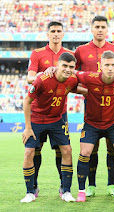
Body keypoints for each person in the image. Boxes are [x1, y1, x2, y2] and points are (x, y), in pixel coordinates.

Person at [21, 53, 80, 203]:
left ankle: (66, 191)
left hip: (56, 120)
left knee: (67, 150)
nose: (67, 69)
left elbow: (83, 86)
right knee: (29, 152)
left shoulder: (73, 79)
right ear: (58, 65)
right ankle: (30, 192)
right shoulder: (42, 79)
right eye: (64, 66)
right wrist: (28, 128)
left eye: (71, 67)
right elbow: (27, 101)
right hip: (36, 119)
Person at [75, 15, 114, 197]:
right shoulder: (81, 50)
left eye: (103, 26)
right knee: (91, 146)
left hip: (112, 103)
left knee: (113, 145)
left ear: (107, 29)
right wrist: (87, 92)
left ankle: (112, 184)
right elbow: (73, 76)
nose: (100, 29)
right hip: (91, 104)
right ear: (91, 29)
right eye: (97, 26)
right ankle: (91, 185)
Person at [75, 51, 114, 202]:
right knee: (85, 153)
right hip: (92, 124)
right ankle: (82, 190)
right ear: (101, 66)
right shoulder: (89, 77)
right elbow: (71, 75)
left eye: (113, 65)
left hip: (113, 123)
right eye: (107, 65)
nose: (110, 68)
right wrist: (53, 69)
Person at [26, 21, 74, 197]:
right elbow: (29, 77)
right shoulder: (37, 54)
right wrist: (44, 73)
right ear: (48, 34)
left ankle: (64, 186)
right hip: (38, 112)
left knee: (61, 149)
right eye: (52, 31)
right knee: (35, 149)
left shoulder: (69, 55)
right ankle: (34, 185)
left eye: (58, 31)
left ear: (63, 34)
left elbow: (76, 77)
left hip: (60, 113)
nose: (55, 34)